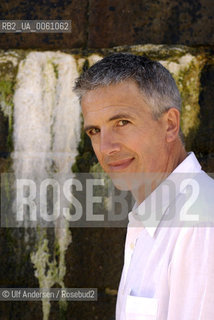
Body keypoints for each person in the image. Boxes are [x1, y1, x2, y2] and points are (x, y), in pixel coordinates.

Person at [74, 53, 214, 320]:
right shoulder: (150, 216)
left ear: (170, 125)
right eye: (95, 131)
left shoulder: (201, 223)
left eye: (122, 122)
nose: (106, 148)